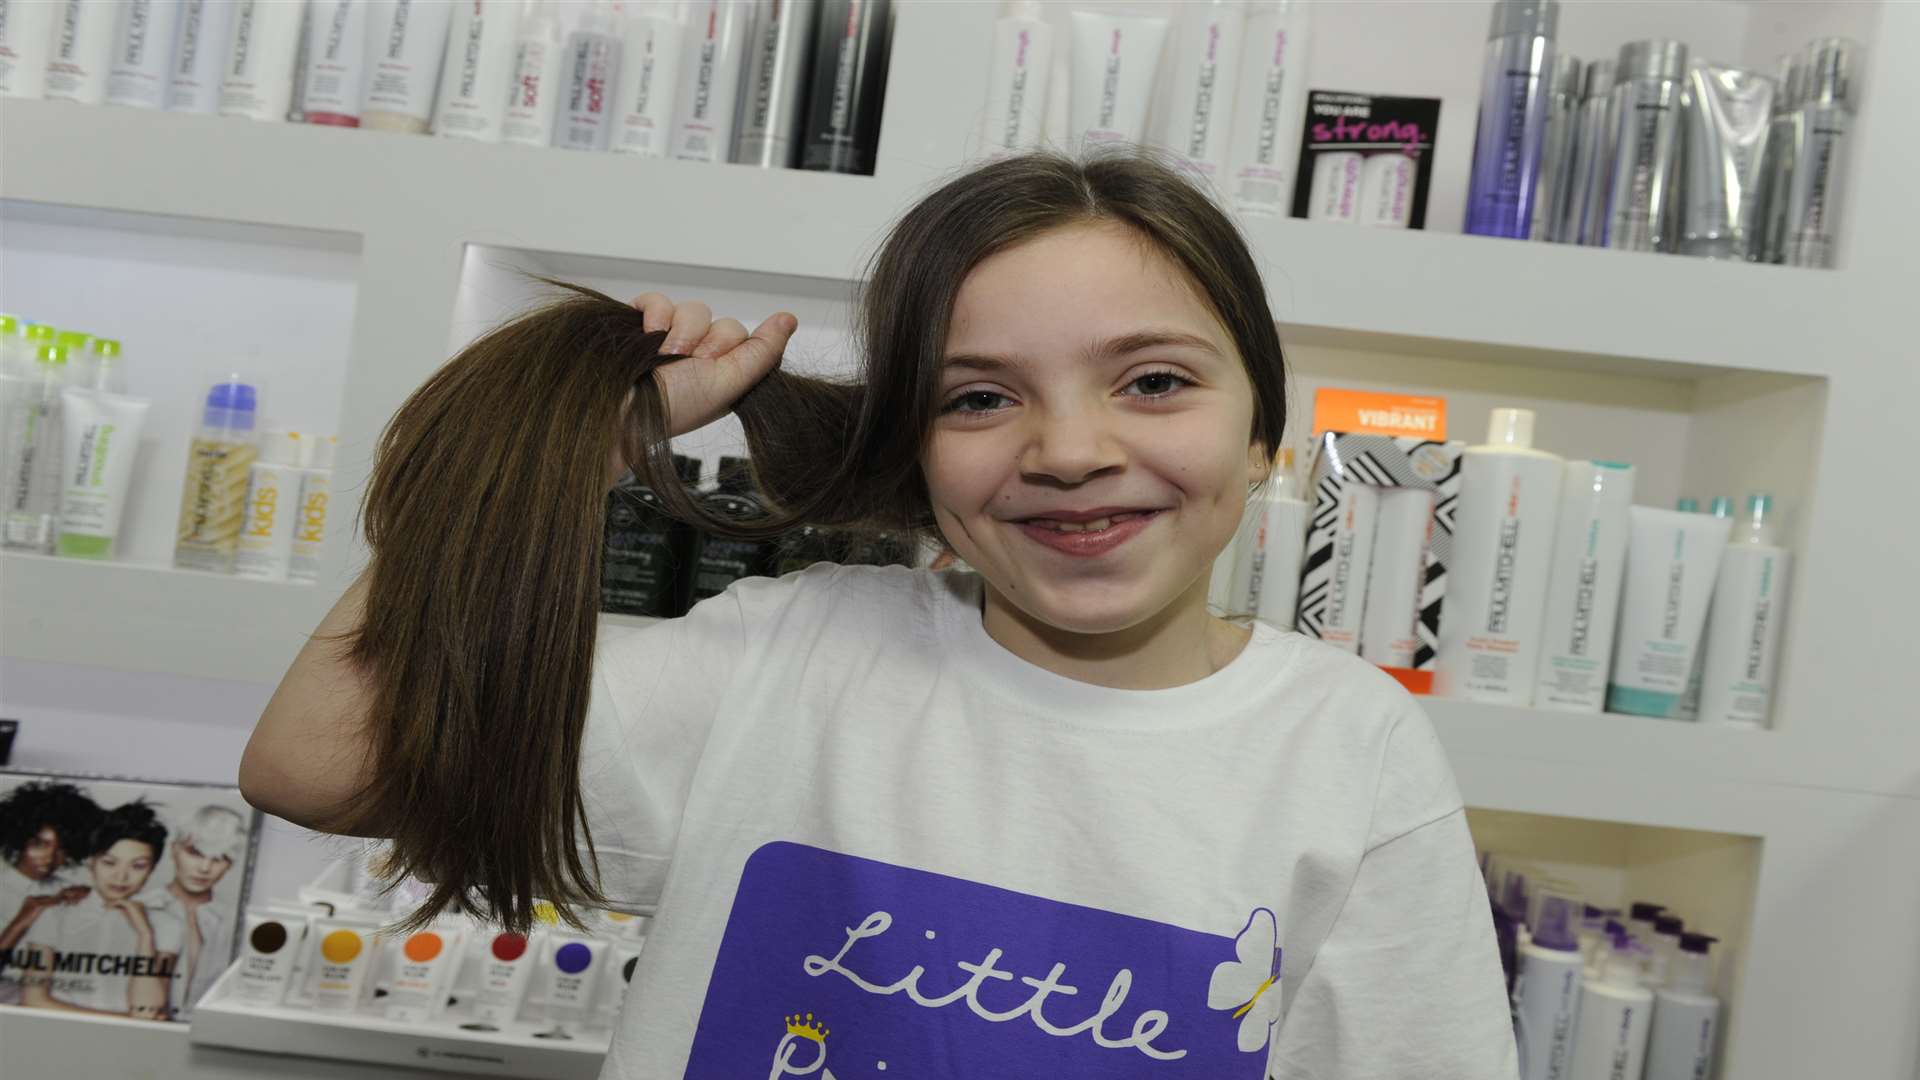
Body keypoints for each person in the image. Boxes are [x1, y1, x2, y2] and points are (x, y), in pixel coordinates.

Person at [241, 153, 1517, 1077]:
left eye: (1155, 380)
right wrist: (577, 440)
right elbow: (314, 765)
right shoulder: (794, 659)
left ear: (1263, 438)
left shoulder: (1350, 753)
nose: (1070, 449)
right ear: (916, 453)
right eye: (978, 399)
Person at [21, 801, 184, 1020]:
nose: (121, 877)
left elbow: (148, 1010)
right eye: (109, 862)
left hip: (128, 1046)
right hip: (55, 1035)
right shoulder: (56, 915)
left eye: (138, 866)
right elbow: (32, 1000)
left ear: (151, 869)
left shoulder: (166, 924)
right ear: (91, 862)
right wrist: (122, 1021)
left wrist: (145, 936)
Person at [140, 804, 247, 1017]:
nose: (205, 868)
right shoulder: (139, 908)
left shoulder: (237, 924)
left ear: (230, 865)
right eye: (196, 853)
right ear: (174, 850)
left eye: (219, 858)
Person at [0, 781, 102, 1005]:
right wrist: (21, 921)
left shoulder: (69, 889)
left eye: (61, 848)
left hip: (62, 999)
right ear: (18, 841)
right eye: (39, 844)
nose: (49, 857)